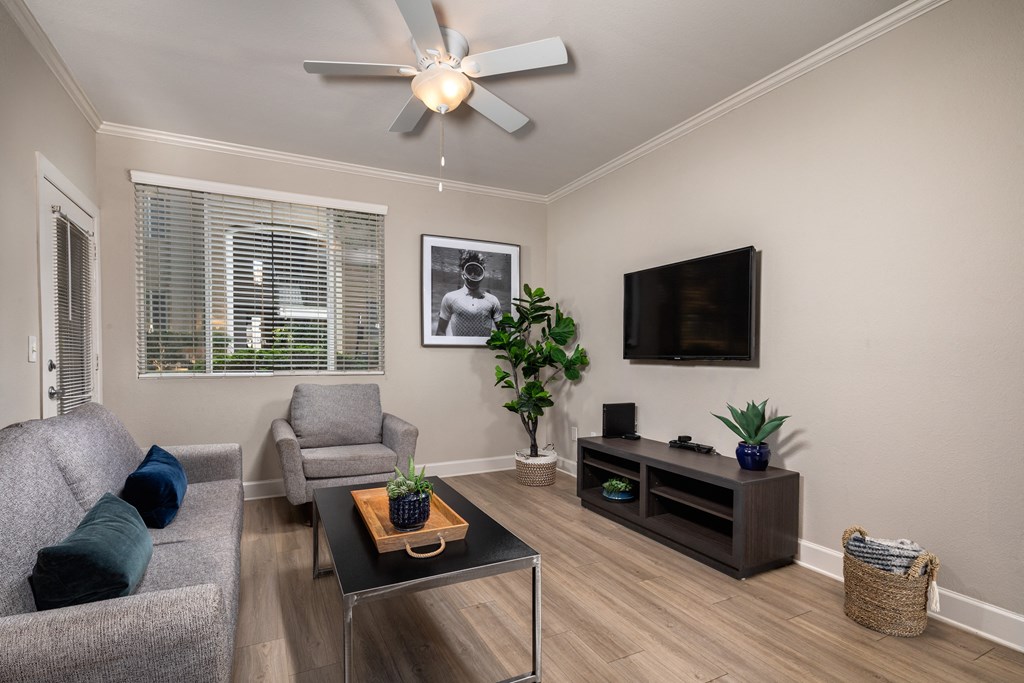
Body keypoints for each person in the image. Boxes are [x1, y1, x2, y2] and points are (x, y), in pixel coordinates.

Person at [435, 251, 502, 337]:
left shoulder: (493, 300)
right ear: (463, 274)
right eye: (469, 271)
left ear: (482, 275)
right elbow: (440, 332)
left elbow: (503, 335)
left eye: (477, 271)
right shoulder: (449, 298)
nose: (473, 275)